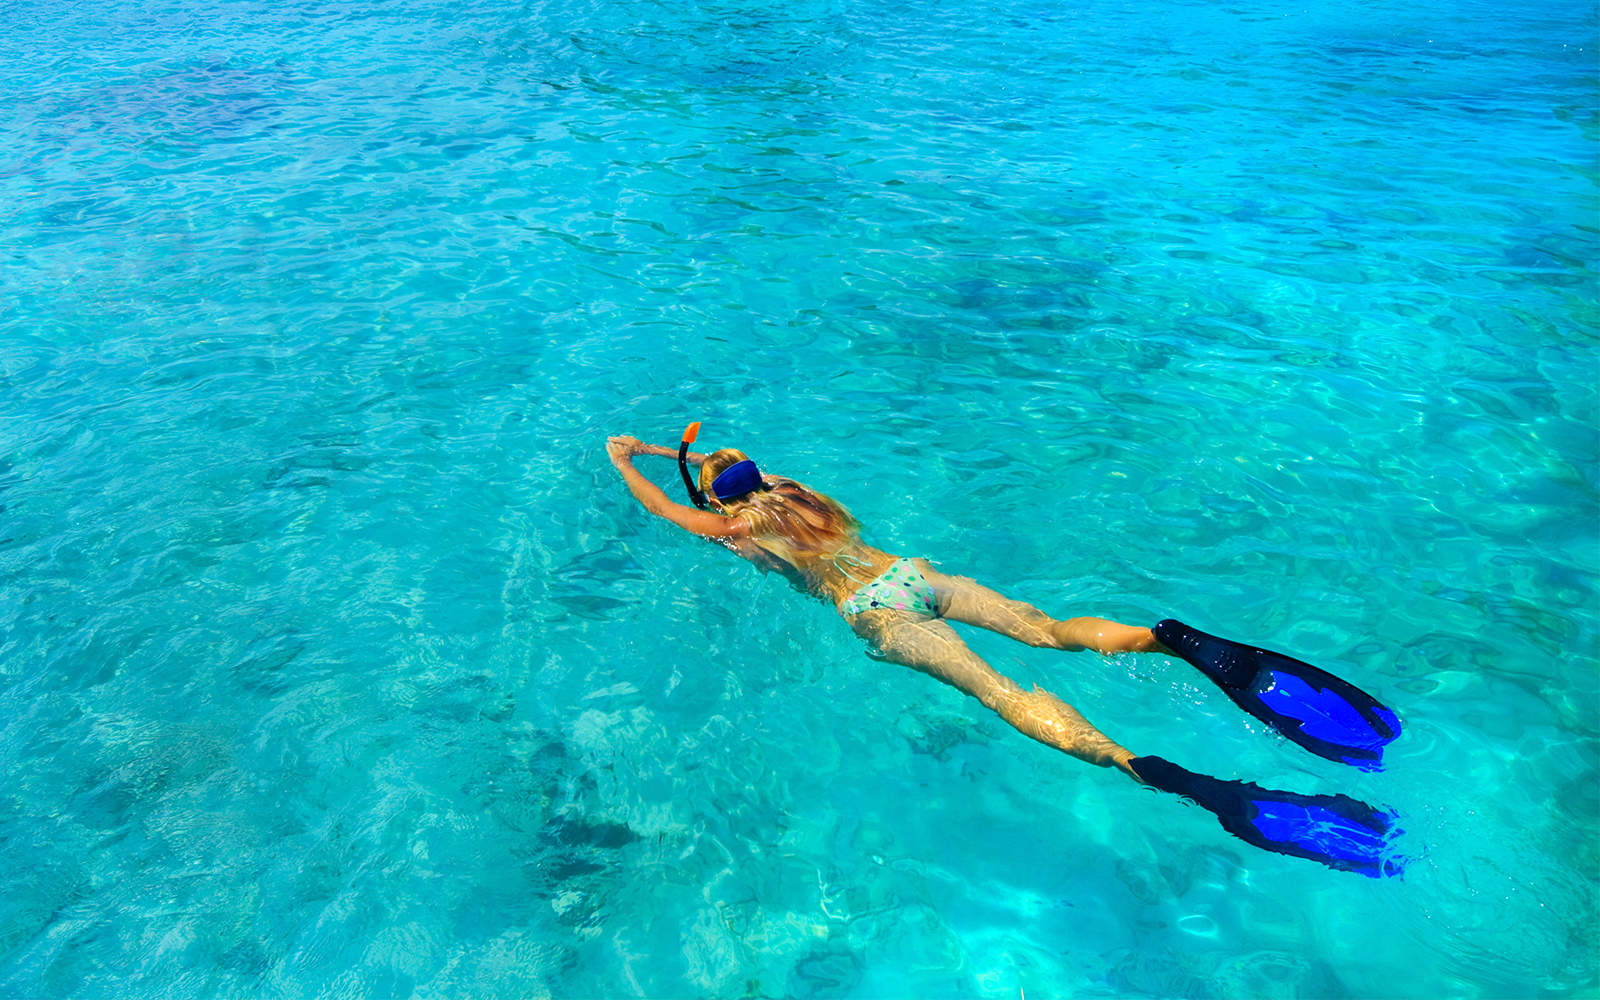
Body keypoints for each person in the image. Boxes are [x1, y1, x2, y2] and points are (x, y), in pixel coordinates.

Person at [606, 426, 1405, 877]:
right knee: (1049, 629)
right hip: (911, 575)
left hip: (878, 614)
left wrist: (630, 464)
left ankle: (1138, 764)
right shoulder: (801, 496)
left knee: (1000, 691)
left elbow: (675, 515)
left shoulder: (738, 528)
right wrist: (716, 459)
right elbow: (753, 473)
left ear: (719, 499)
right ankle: (1161, 638)